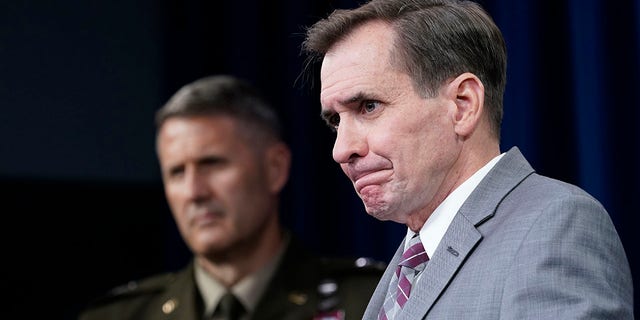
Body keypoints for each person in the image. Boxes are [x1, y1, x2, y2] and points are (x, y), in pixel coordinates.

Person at [301, 0, 634, 319]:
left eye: (368, 107)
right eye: (335, 121)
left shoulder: (554, 226)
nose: (341, 149)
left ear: (462, 105)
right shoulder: (406, 265)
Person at [77, 74, 385, 320]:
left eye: (213, 164)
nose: (194, 193)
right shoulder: (119, 314)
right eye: (176, 173)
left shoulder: (372, 304)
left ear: (274, 168)